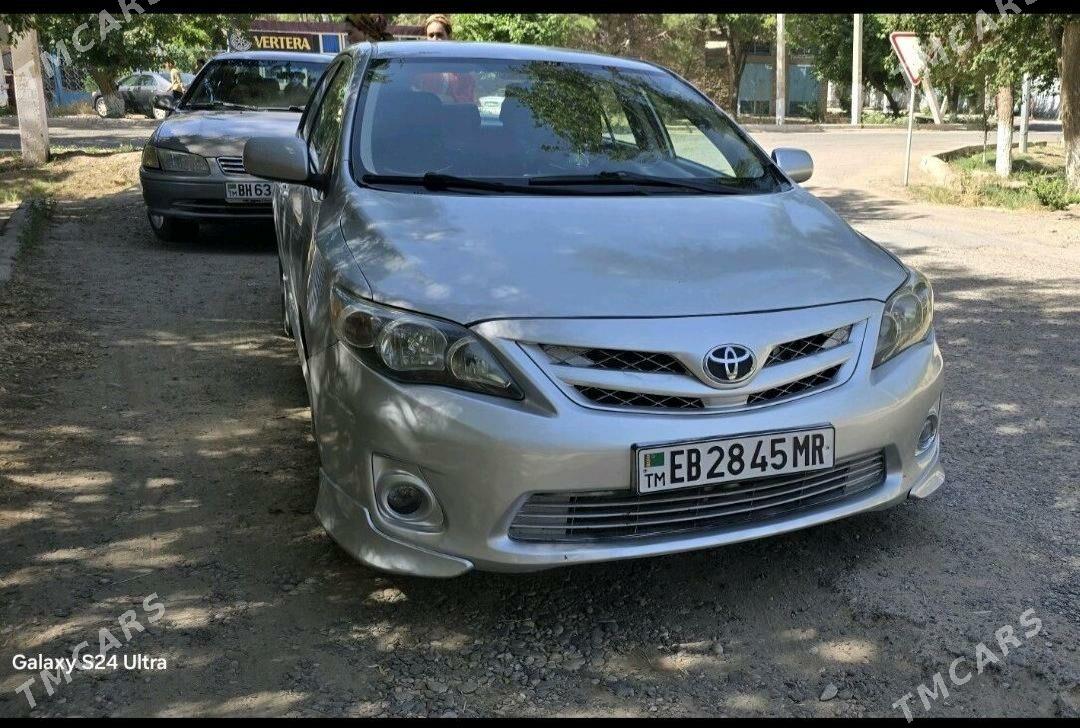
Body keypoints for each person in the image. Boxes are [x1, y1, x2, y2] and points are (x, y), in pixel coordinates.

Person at [416, 15, 476, 104]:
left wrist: (447, 100)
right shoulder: (417, 68)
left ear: (449, 37)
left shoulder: (462, 72)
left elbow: (468, 104)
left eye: (439, 35)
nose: (435, 39)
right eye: (431, 35)